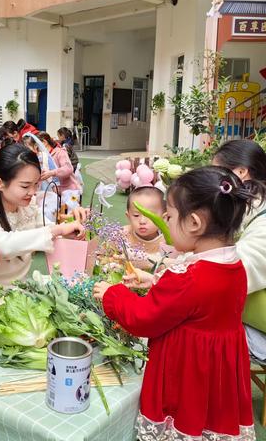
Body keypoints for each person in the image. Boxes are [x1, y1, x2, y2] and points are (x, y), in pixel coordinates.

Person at [93, 166, 255, 440]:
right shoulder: (233, 265)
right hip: (216, 374)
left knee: (184, 422)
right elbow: (201, 305)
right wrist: (156, 280)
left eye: (168, 215)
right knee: (208, 422)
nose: (164, 221)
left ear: (194, 223)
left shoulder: (187, 278)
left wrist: (112, 293)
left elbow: (144, 318)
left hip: (187, 372)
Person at [0, 143, 86, 288]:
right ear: (0, 183)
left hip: (21, 289)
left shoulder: (27, 207)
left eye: (36, 185)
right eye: (25, 186)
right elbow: (2, 246)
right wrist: (57, 230)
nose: (32, 192)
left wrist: (73, 223)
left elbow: (50, 229)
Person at [212, 139, 266, 359]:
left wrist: (178, 266)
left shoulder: (258, 214)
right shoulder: (248, 207)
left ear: (242, 172)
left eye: (217, 173)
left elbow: (236, 270)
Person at [124, 186, 166, 269]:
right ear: (128, 216)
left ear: (164, 217)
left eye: (149, 215)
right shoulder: (121, 234)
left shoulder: (166, 241)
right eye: (136, 215)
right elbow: (102, 256)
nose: (142, 221)